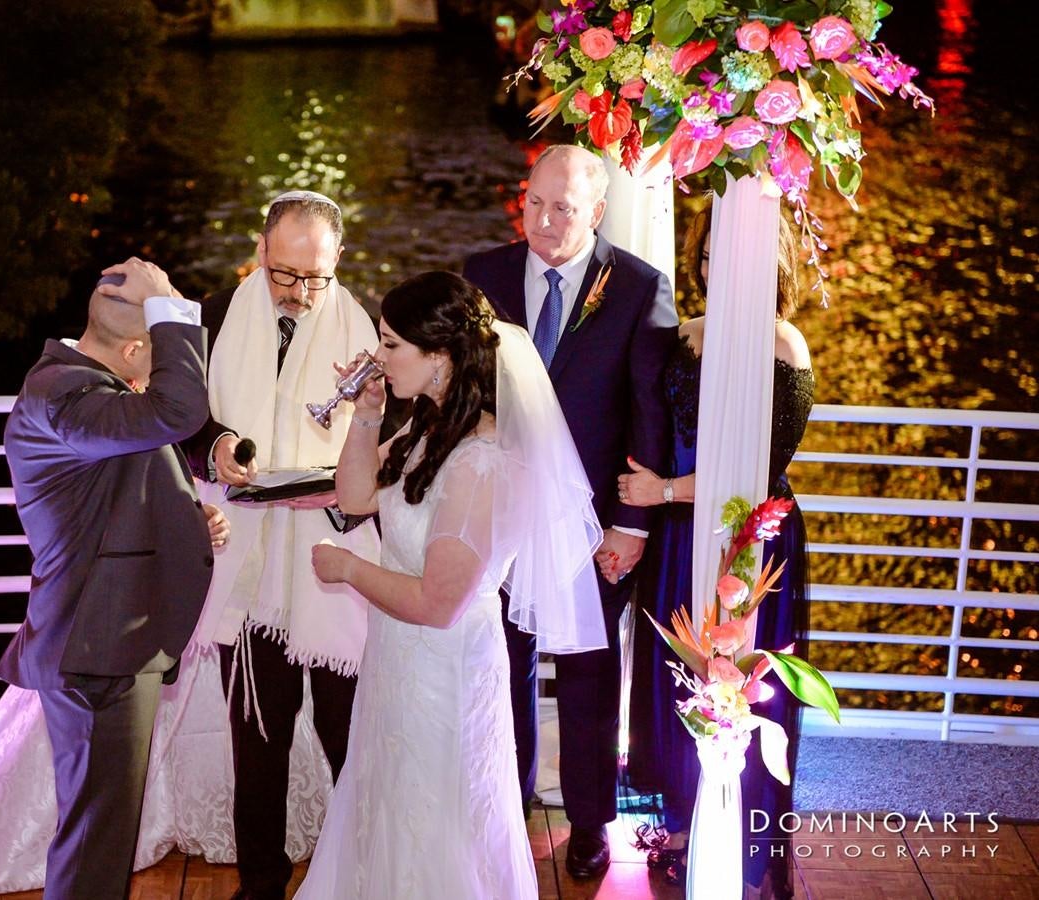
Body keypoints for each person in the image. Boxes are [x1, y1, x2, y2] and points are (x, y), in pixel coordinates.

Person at [297, 271, 605, 898]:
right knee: (386, 802)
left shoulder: (482, 462)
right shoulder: (429, 425)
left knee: (434, 820)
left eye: (391, 344)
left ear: (438, 355)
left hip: (445, 670)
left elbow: (437, 604)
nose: (378, 356)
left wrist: (349, 569)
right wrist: (366, 416)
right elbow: (354, 496)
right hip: (396, 659)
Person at [462, 144, 677, 877]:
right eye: (535, 204)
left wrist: (631, 523)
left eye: (563, 209)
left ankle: (588, 823)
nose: (545, 221)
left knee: (589, 666)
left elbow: (650, 413)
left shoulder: (639, 287)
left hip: (593, 521)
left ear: (597, 212)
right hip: (499, 509)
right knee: (501, 661)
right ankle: (507, 804)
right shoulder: (483, 274)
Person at [0, 258, 230, 900]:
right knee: (96, 842)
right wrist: (170, 308)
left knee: (102, 832)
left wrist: (185, 522)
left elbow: (109, 490)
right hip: (98, 646)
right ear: (134, 350)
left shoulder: (82, 388)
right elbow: (178, 411)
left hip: (107, 638)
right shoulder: (66, 394)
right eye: (158, 350)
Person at [179, 190, 386, 900]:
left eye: (316, 277)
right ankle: (261, 881)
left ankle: (362, 873)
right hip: (248, 553)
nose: (299, 291)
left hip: (336, 552)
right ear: (260, 250)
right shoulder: (210, 317)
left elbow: (399, 436)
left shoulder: (371, 331)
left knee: (348, 725)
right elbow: (181, 417)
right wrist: (215, 447)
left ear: (340, 260)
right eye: (284, 273)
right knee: (257, 731)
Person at [622, 203, 814, 898]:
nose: (711, 270)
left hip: (749, 539)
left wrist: (665, 491)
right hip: (677, 537)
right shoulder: (684, 335)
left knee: (747, 687)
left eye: (725, 259)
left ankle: (749, 841)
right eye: (704, 258)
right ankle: (680, 825)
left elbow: (758, 472)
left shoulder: (783, 345)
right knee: (675, 680)